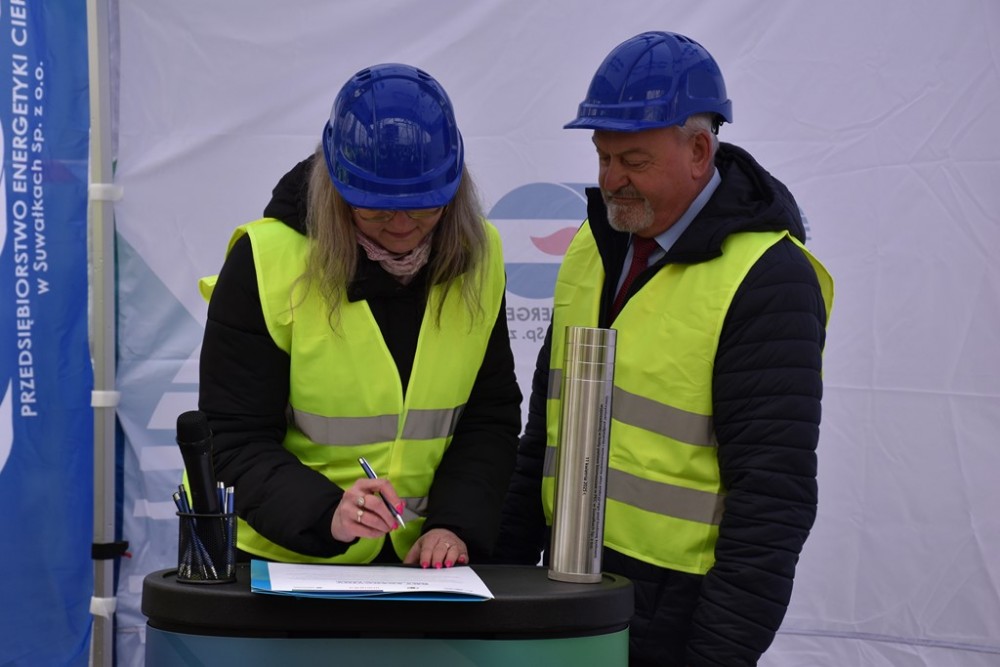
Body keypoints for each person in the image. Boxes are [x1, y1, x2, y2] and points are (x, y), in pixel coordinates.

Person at [493, 31, 834, 666]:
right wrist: (499, 590)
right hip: (565, 593)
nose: (610, 179)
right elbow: (543, 434)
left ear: (699, 150)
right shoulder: (594, 243)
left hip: (678, 618)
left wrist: (714, 656)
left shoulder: (768, 279)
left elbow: (771, 504)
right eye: (602, 156)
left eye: (634, 160)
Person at [197, 63, 521, 569]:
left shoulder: (481, 256)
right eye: (375, 208)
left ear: (454, 187)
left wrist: (454, 524)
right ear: (337, 187)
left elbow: (489, 416)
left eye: (424, 207)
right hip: (286, 563)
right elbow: (232, 439)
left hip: (421, 565)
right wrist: (328, 512)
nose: (401, 226)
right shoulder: (265, 261)